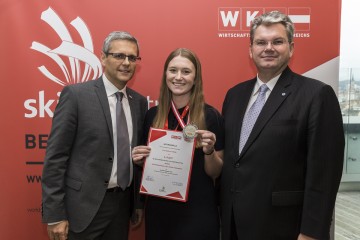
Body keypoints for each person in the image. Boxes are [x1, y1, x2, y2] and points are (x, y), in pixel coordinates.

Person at [220, 11, 345, 240]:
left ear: (291, 48)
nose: (268, 48)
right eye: (261, 42)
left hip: (284, 227)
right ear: (251, 50)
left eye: (277, 41)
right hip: (234, 224)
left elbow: (325, 174)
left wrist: (312, 232)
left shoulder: (317, 95)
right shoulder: (234, 95)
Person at [42, 31, 148, 240]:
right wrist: (55, 215)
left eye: (132, 57)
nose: (126, 63)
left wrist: (137, 203)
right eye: (119, 56)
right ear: (103, 58)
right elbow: (55, 158)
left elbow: (137, 157)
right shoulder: (76, 95)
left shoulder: (140, 102)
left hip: (121, 207)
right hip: (82, 209)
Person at [132, 48, 224, 240]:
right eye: (173, 70)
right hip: (159, 210)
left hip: (198, 212)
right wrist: (140, 160)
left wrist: (209, 152)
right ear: (165, 74)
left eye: (186, 71)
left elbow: (215, 172)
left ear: (196, 78)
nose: (178, 77)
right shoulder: (152, 115)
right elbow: (147, 166)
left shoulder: (211, 116)